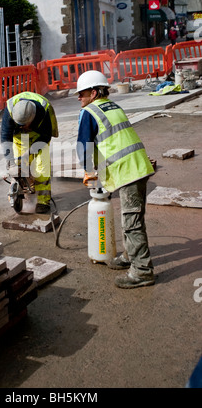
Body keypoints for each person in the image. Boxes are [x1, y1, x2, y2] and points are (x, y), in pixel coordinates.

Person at [75, 70, 155, 289]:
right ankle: (129, 256)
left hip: (128, 171)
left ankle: (142, 271)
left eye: (81, 93)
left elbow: (84, 146)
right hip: (138, 166)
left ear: (92, 93)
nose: (78, 98)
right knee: (132, 218)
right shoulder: (113, 107)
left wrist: (88, 171)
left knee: (132, 222)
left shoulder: (89, 112)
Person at [0, 91, 58, 214]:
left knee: (42, 169)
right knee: (18, 168)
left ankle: (43, 201)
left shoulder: (43, 111)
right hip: (19, 139)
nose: (22, 127)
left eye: (24, 125)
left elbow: (46, 136)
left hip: (38, 138)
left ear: (32, 118)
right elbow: (5, 138)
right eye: (19, 124)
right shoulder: (10, 111)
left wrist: (30, 152)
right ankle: (21, 191)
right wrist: (10, 161)